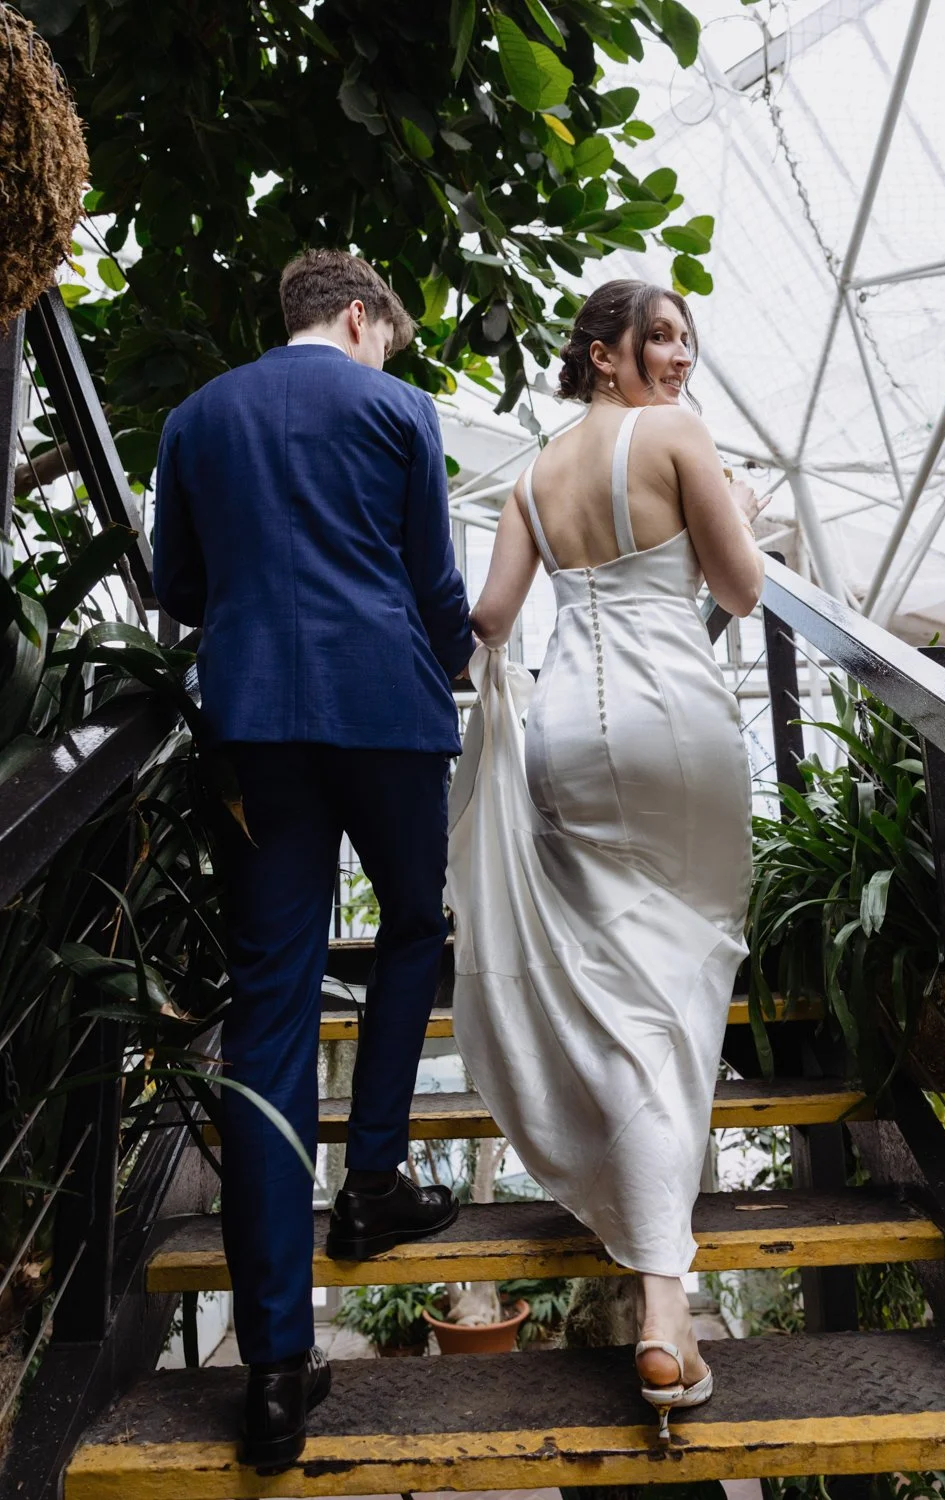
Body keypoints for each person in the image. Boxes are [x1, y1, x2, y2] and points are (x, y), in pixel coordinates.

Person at [153, 248, 474, 1471]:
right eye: (385, 332)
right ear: (357, 315)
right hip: (387, 712)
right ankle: (376, 1175)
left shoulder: (196, 419)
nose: (386, 351)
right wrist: (455, 659)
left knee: (270, 1014)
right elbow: (434, 582)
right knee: (411, 928)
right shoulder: (396, 409)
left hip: (253, 727)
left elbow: (175, 579)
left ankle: (277, 1370)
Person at [446, 279, 766, 1441]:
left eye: (687, 337)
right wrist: (738, 506)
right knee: (673, 994)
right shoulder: (677, 437)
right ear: (605, 354)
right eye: (660, 338)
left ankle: (659, 1284)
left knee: (628, 992)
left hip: (568, 742)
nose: (679, 357)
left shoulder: (530, 472)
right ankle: (662, 1303)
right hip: (672, 726)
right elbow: (737, 589)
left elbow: (489, 619)